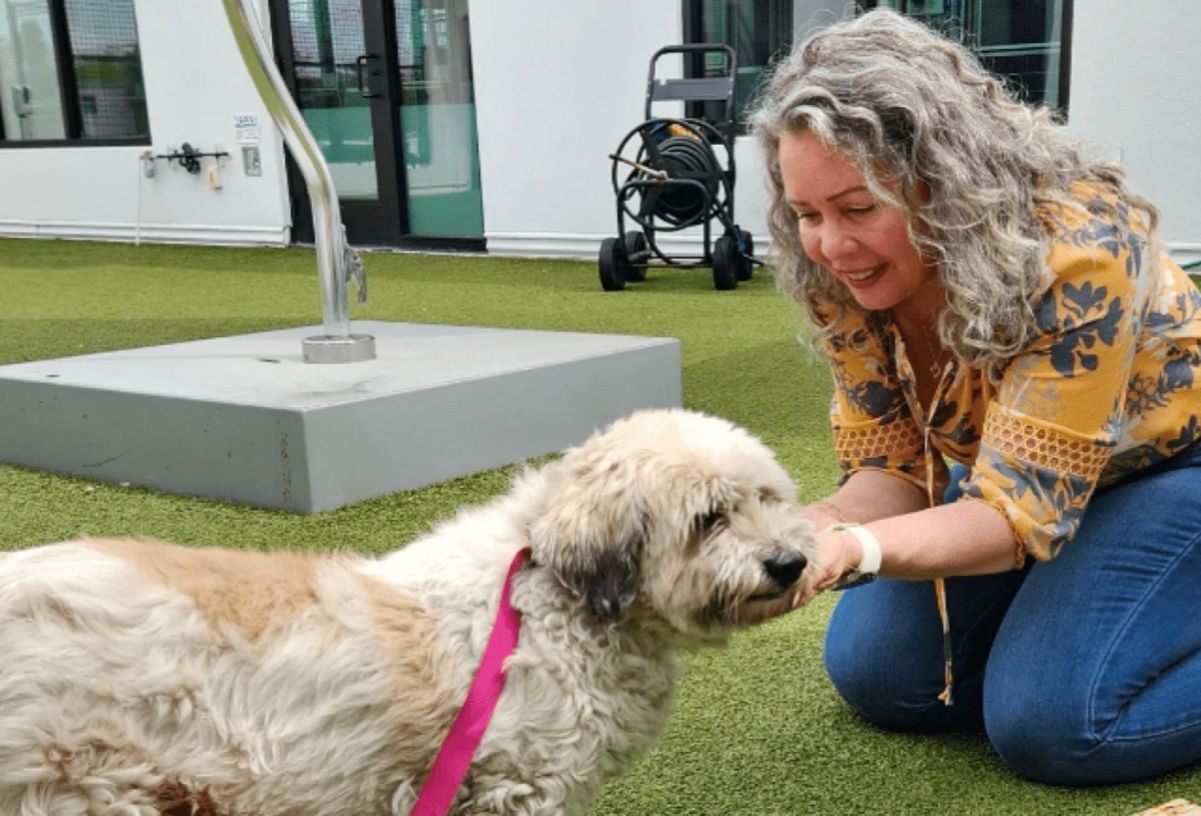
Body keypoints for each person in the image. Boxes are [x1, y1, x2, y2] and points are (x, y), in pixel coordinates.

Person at [749, 8, 1201, 787]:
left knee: (1054, 726)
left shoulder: (1079, 251)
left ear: (943, 182)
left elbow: (1015, 514)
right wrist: (811, 529)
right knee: (883, 677)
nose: (828, 244)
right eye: (805, 213)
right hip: (1011, 476)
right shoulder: (839, 269)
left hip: (1166, 468)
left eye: (857, 208)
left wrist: (855, 550)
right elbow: (892, 471)